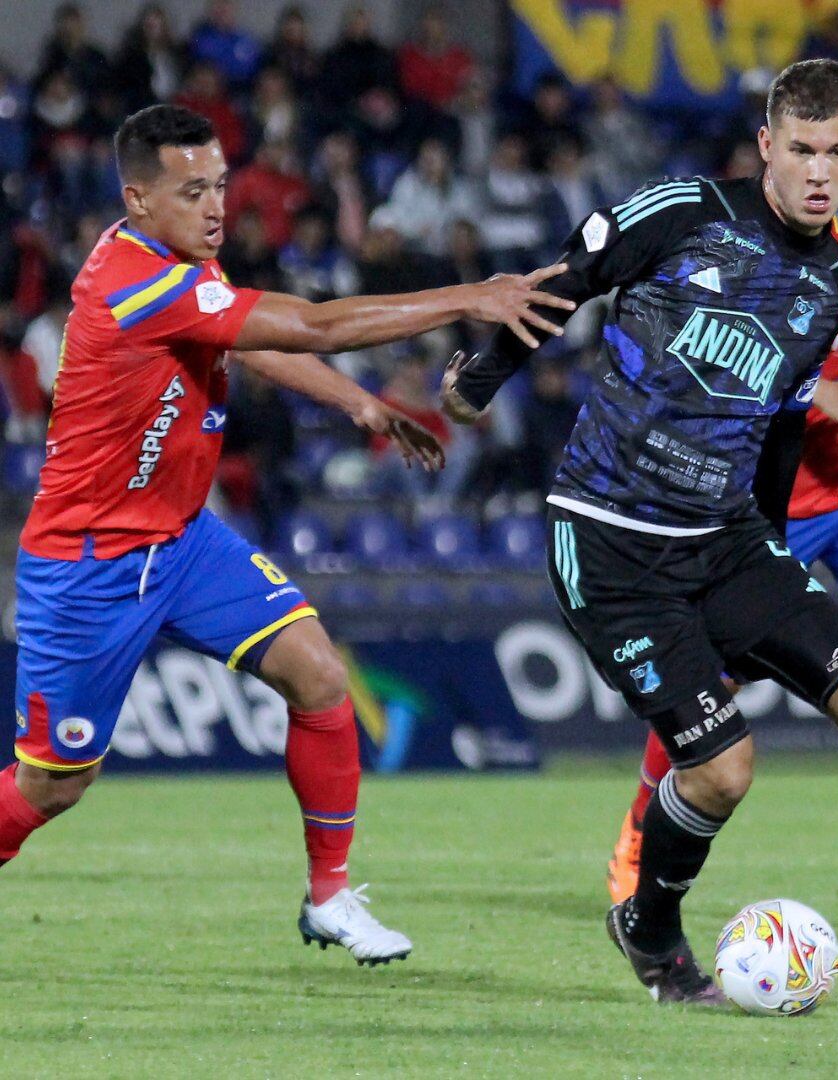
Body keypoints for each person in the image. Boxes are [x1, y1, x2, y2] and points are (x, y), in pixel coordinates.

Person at [441, 61, 838, 1004]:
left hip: (728, 535)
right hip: (611, 538)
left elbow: (776, 423)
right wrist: (478, 385)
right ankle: (650, 934)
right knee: (726, 768)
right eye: (805, 151)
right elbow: (567, 281)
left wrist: (771, 559)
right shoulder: (685, 211)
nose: (822, 173)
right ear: (769, 147)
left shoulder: (831, 282)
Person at [0, 104, 573, 968]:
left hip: (186, 542)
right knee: (55, 784)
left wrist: (358, 403)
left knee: (318, 674)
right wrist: (470, 297)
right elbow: (311, 324)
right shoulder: (131, 280)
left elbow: (249, 339)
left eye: (221, 185)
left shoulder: (178, 262)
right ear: (136, 199)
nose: (215, 206)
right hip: (93, 566)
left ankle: (331, 897)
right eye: (193, 191)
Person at [606, 106, 838, 912]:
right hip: (769, 502)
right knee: (710, 694)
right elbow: (726, 365)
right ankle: (640, 832)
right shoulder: (799, 260)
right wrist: (819, 396)